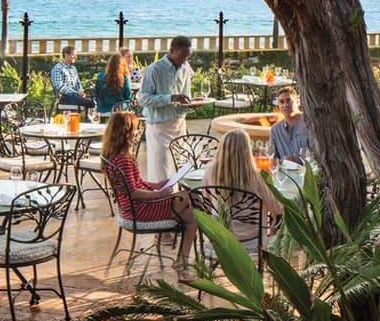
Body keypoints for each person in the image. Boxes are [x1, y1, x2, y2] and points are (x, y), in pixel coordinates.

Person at [101, 111, 197, 262]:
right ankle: (202, 244)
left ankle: (182, 261)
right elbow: (134, 193)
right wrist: (160, 194)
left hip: (131, 208)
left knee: (190, 217)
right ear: (126, 133)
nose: (138, 132)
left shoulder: (113, 156)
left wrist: (156, 185)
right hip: (139, 211)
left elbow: (136, 183)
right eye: (135, 129)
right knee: (189, 196)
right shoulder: (124, 160)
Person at [203, 130, 282, 243]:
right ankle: (267, 254)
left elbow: (207, 207)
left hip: (221, 242)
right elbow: (278, 210)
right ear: (247, 151)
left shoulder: (209, 173)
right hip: (253, 241)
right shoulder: (257, 177)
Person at [137, 36, 195, 183]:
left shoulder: (185, 68)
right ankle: (160, 204)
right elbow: (143, 99)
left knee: (178, 169)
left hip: (179, 124)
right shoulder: (154, 70)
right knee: (160, 172)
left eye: (187, 57)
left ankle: (175, 202)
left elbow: (185, 96)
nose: (184, 61)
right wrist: (170, 98)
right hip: (159, 126)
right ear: (171, 51)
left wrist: (190, 105)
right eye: (182, 56)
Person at [268, 87, 313, 166]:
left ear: (298, 102)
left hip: (308, 175)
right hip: (284, 175)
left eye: (288, 100)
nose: (285, 105)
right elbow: (272, 157)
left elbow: (318, 155)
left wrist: (294, 160)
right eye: (281, 102)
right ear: (278, 105)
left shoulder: (309, 124)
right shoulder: (275, 129)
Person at [51, 46, 95, 111]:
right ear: (66, 55)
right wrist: (76, 93)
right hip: (64, 98)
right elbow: (60, 88)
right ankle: (94, 119)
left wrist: (81, 91)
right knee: (91, 103)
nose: (76, 57)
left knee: (95, 100)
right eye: (73, 55)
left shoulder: (73, 68)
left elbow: (78, 84)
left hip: (75, 97)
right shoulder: (58, 68)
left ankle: (92, 117)